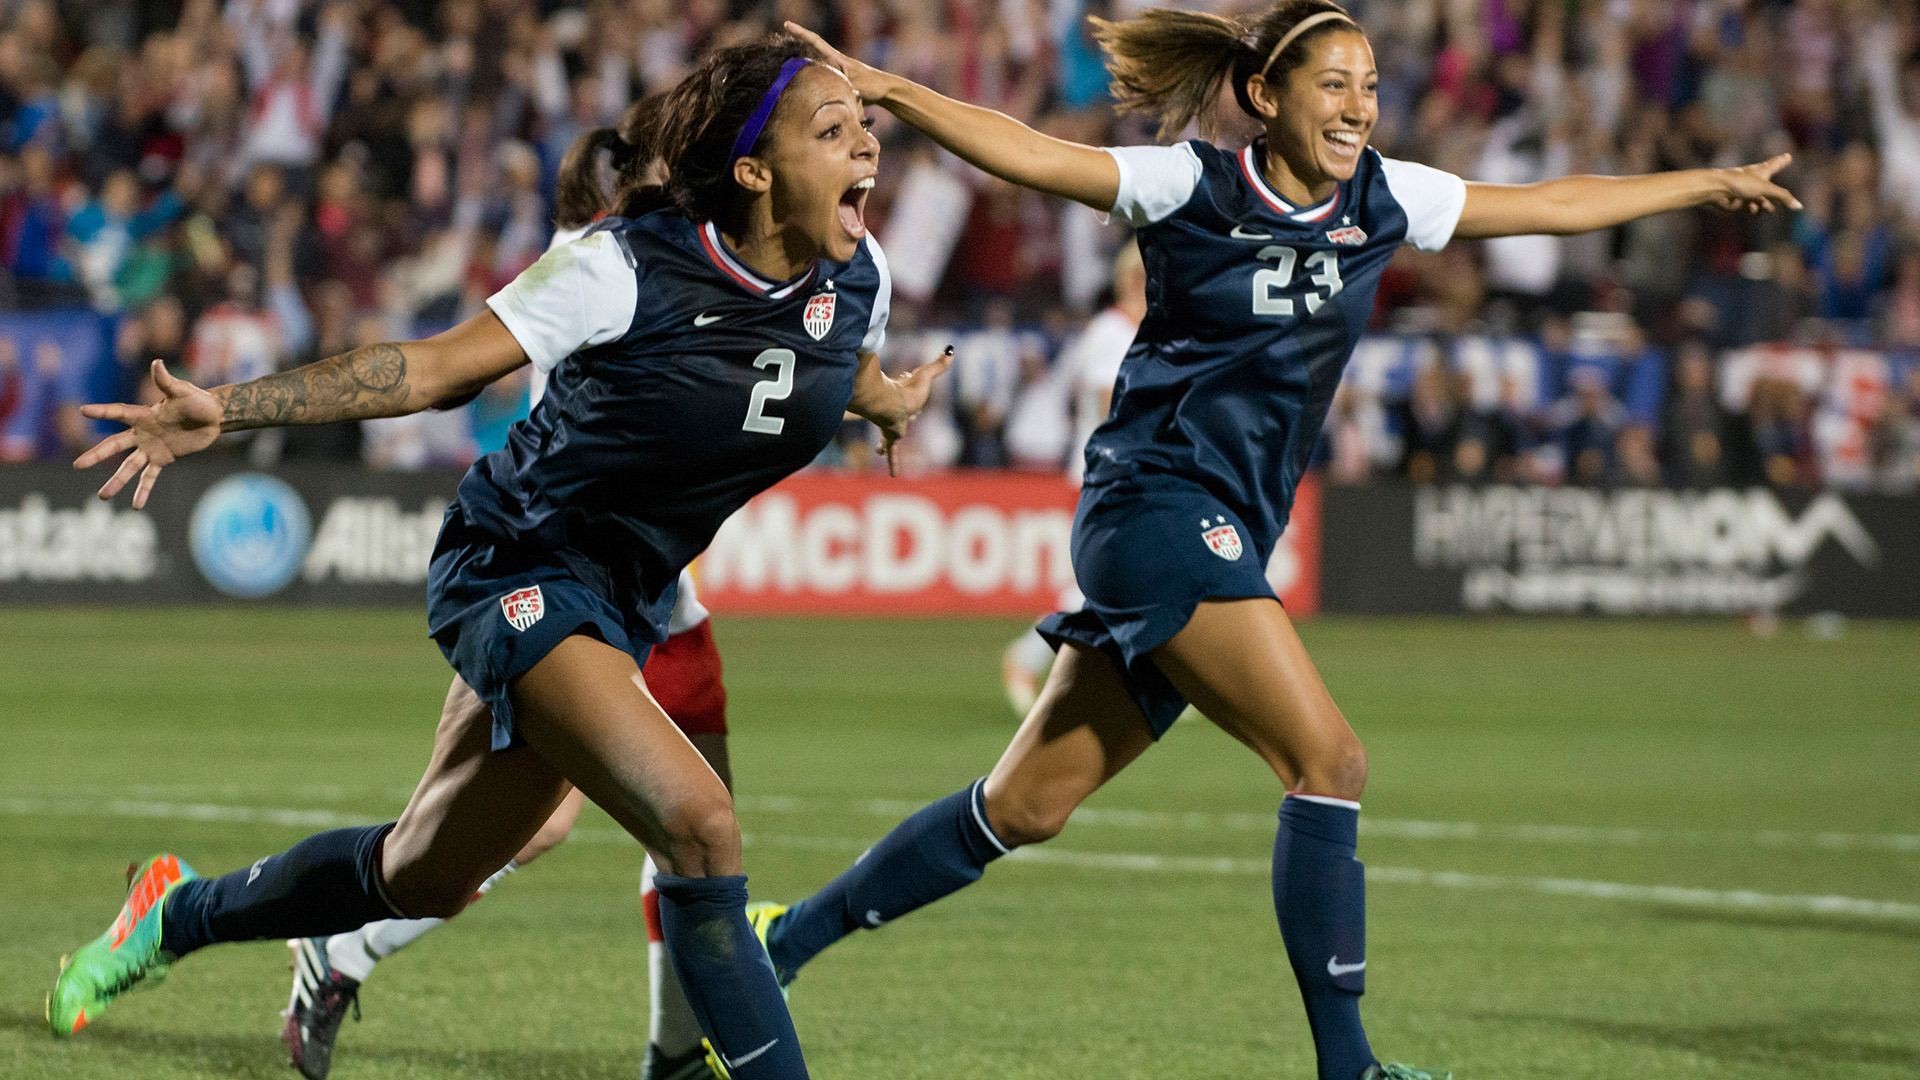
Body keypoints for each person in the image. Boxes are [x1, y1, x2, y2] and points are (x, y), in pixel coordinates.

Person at [772, 6, 1797, 1079]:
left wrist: (1704, 184)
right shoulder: (1194, 186)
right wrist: (895, 91)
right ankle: (1349, 1068)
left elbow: (1550, 204)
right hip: (1156, 506)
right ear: (1265, 96)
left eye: (1368, 86)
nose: (1358, 107)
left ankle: (781, 937)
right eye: (1333, 85)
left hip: (1220, 527)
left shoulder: (1385, 197)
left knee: (1022, 808)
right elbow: (1032, 154)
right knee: (1329, 760)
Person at [50, 35, 950, 1080]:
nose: (869, 150)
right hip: (518, 560)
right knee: (703, 825)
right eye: (833, 131)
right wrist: (234, 410)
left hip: (623, 598)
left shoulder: (863, 278)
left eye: (865, 128)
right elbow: (434, 369)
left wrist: (886, 402)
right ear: (753, 172)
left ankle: (175, 914)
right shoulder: (623, 268)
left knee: (419, 872)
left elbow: (842, 366)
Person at [280, 110, 739, 1080]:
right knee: (555, 824)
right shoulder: (600, 262)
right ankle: (342, 945)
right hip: (567, 573)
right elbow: (451, 373)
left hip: (658, 591)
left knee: (687, 834)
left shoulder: (634, 255)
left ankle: (672, 1051)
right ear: (619, 194)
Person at [1001, 240, 1145, 714]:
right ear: (1134, 280)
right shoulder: (1112, 332)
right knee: (1101, 586)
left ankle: (1159, 680)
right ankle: (1025, 657)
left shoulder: (1133, 331)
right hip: (1107, 474)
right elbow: (1108, 406)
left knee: (1141, 579)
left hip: (1124, 471)